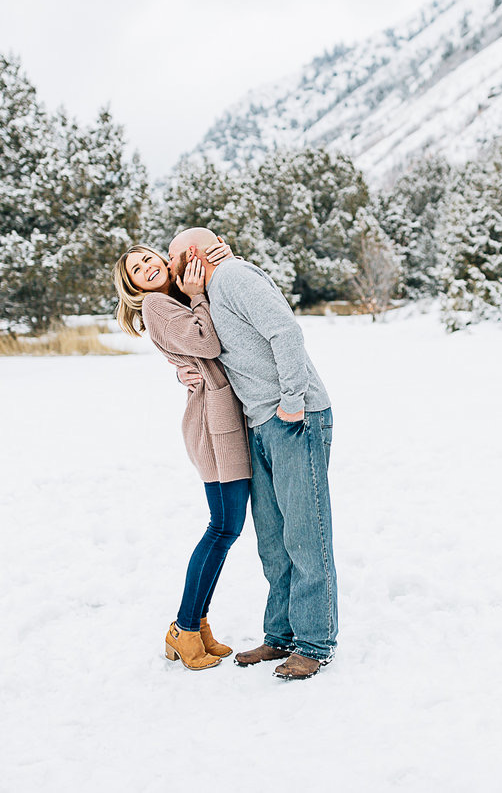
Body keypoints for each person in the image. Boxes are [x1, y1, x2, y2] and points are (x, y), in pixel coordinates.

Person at [166, 227, 337, 681]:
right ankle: (279, 635)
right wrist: (184, 372)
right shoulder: (209, 292)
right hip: (257, 425)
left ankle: (315, 644)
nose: (170, 270)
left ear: (195, 254)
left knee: (306, 533)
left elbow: (285, 332)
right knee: (273, 540)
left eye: (172, 259)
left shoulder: (236, 277)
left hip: (293, 418)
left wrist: (293, 400)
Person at [112, 240, 247, 672]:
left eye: (150, 257)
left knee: (225, 528)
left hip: (217, 414)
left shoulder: (168, 302)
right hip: (211, 425)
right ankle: (184, 628)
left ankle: (197, 625)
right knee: (223, 527)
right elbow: (206, 345)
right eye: (137, 268)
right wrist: (196, 297)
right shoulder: (156, 304)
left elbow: (192, 350)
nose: (148, 267)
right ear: (131, 285)